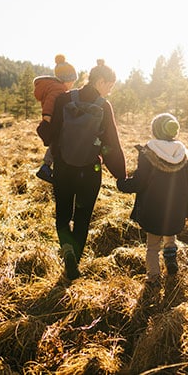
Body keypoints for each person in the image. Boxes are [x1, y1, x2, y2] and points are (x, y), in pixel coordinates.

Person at [47, 59, 126, 281]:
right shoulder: (103, 106)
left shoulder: (64, 99)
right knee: (82, 218)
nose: (110, 90)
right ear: (100, 81)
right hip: (90, 172)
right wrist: (121, 176)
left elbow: (51, 134)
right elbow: (111, 145)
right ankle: (73, 264)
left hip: (63, 168)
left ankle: (67, 251)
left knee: (63, 214)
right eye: (110, 85)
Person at [117, 113, 188, 285]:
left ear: (155, 130)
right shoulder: (183, 153)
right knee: (170, 236)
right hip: (175, 208)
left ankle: (153, 277)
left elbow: (140, 181)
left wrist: (123, 184)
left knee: (152, 247)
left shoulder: (149, 151)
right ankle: (170, 261)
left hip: (152, 208)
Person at [33, 54, 78, 182]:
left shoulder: (56, 87)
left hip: (53, 120)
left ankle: (46, 167)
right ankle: (45, 168)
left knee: (55, 144)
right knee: (55, 144)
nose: (73, 84)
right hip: (53, 121)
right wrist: (47, 118)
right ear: (66, 80)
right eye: (72, 81)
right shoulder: (58, 89)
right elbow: (50, 103)